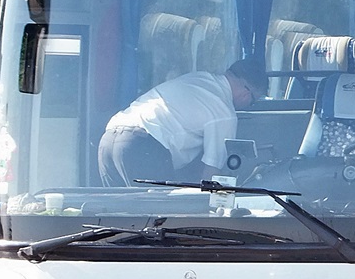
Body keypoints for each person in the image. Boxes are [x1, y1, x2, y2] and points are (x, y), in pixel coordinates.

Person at [98, 58, 267, 187]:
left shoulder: (198, 79)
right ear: (246, 93)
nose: (248, 104)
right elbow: (211, 173)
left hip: (109, 139)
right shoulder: (224, 112)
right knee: (156, 221)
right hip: (143, 147)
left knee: (115, 219)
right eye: (252, 101)